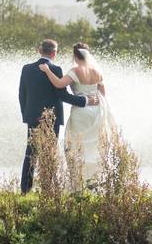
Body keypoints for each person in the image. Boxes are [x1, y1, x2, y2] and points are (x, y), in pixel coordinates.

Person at [19, 39, 99, 193]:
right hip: (51, 119)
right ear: (54, 53)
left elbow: (22, 95)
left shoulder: (26, 69)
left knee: (30, 154)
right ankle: (47, 189)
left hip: (32, 117)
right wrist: (85, 100)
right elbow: (63, 96)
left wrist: (27, 115)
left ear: (39, 50)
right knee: (49, 153)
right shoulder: (55, 69)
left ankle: (25, 190)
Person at [38, 42, 115, 181]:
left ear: (75, 55)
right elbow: (102, 94)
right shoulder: (98, 71)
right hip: (97, 111)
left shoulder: (75, 71)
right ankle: (94, 179)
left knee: (77, 144)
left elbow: (59, 84)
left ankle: (78, 179)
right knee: (94, 146)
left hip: (81, 112)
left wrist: (47, 70)